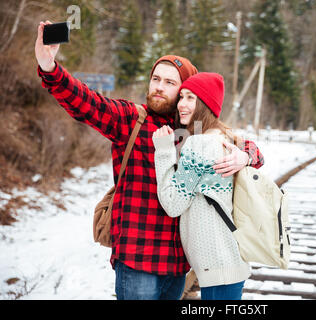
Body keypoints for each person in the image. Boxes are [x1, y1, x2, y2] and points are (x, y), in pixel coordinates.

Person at [34, 21, 264, 300]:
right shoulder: (132, 119)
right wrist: (50, 69)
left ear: (185, 91)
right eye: (156, 79)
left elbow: (245, 145)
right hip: (138, 258)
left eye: (170, 82)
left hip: (178, 264)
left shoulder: (194, 130)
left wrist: (245, 155)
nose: (159, 87)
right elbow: (88, 103)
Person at [152, 72, 250, 300]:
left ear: (205, 105)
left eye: (190, 98)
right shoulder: (225, 138)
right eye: (182, 97)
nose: (181, 104)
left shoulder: (200, 144)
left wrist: (164, 152)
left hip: (218, 264)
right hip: (226, 261)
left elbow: (173, 204)